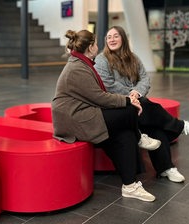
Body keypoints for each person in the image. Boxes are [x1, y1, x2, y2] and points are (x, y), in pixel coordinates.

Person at [51, 29, 156, 202]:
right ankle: (140, 136)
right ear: (91, 47)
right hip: (74, 120)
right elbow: (99, 96)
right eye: (97, 43)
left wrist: (127, 100)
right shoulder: (77, 68)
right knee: (129, 111)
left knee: (125, 134)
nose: (99, 46)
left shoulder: (82, 62)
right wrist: (128, 100)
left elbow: (97, 96)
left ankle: (130, 186)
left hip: (85, 111)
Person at [94, 26, 189, 183]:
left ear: (123, 38)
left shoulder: (133, 58)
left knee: (153, 126)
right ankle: (180, 127)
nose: (111, 39)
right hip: (115, 106)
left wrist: (137, 93)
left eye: (115, 36)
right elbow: (108, 84)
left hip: (135, 103)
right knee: (147, 106)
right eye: (108, 37)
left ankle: (166, 169)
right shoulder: (101, 60)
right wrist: (131, 94)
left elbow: (145, 79)